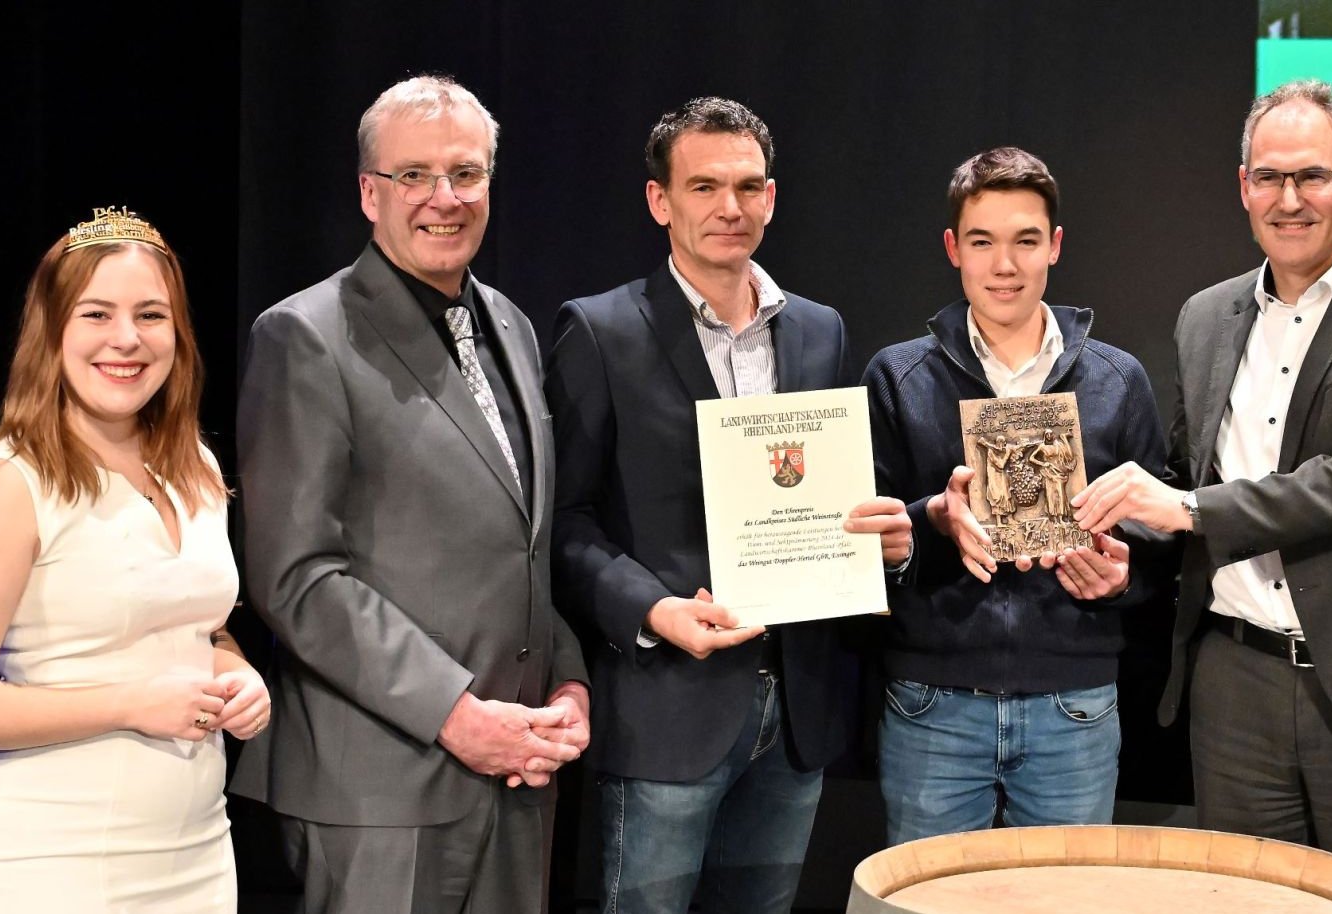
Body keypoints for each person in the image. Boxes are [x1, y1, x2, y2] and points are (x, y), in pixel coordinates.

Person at [1072, 80, 1332, 913]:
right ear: (1242, 186)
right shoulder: (1205, 315)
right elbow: (1190, 477)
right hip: (1234, 686)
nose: (1289, 200)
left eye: (1312, 177)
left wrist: (1185, 510)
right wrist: (1124, 556)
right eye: (1269, 178)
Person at [230, 75, 588, 914]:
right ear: (368, 192)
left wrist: (567, 687)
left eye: (466, 174)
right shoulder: (305, 336)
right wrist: (457, 715)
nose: (444, 199)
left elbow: (522, 548)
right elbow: (297, 577)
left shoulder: (512, 323)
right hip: (382, 797)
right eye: (414, 176)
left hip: (519, 778)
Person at [545, 96, 909, 914]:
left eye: (748, 187)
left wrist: (881, 540)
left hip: (796, 710)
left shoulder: (819, 330)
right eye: (704, 186)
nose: (729, 208)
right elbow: (562, 526)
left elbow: (836, 494)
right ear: (659, 201)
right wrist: (652, 610)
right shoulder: (600, 331)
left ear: (772, 198)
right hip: (666, 705)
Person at [0, 206, 268, 912]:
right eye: (96, 314)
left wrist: (235, 671)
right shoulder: (10, 483)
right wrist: (130, 704)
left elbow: (196, 626)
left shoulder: (193, 464)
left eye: (151, 315)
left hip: (194, 851)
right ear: (53, 332)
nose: (126, 339)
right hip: (52, 858)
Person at [863, 146, 1160, 844]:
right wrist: (930, 520)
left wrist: (1121, 577)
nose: (1005, 264)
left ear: (1054, 246)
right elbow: (863, 539)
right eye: (983, 242)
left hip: (1075, 705)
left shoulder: (1118, 380)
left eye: (1026, 240)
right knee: (927, 900)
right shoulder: (898, 376)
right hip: (933, 704)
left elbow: (1163, 537)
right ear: (952, 249)